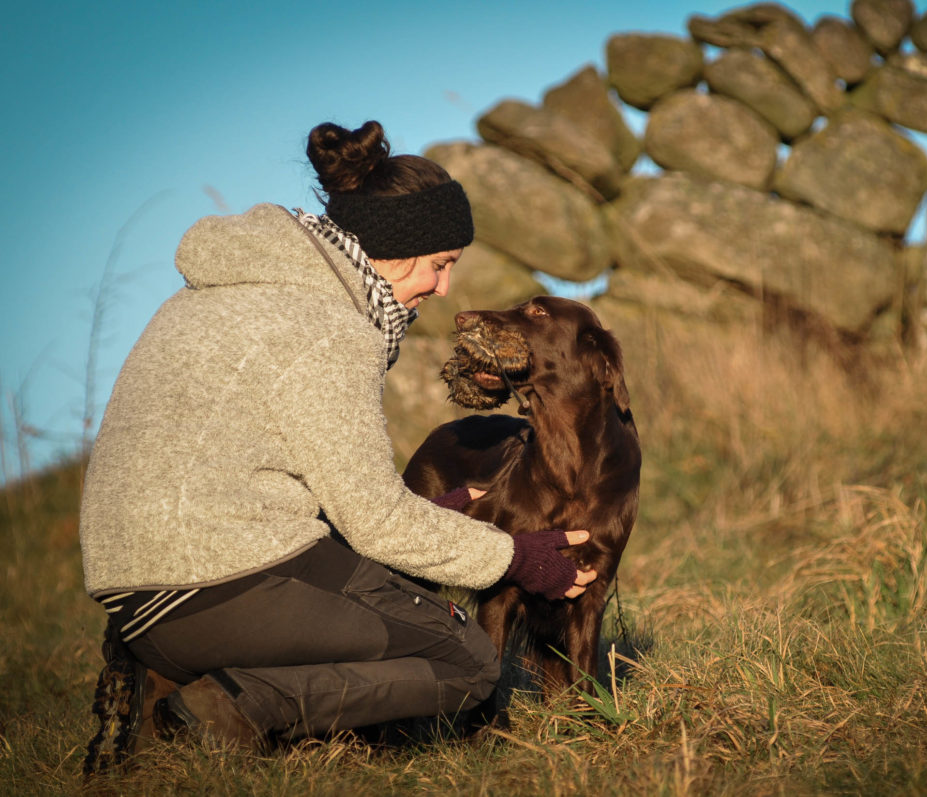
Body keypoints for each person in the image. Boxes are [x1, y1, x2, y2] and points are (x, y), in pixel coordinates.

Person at [78, 120, 595, 776]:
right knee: (465, 661)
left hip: (135, 587)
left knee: (390, 583)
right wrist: (517, 556)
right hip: (214, 586)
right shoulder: (328, 329)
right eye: (441, 265)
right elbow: (375, 521)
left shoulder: (208, 297)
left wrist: (453, 510)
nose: (442, 290)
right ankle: (233, 704)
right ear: (398, 247)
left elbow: (276, 480)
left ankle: (157, 675)